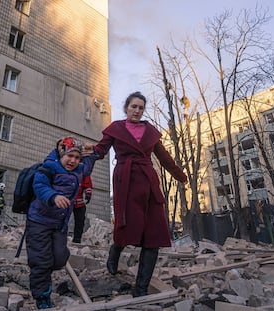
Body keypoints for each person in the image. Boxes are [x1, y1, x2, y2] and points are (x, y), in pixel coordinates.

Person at [87, 91, 187, 297]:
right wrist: (85, 154)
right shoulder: (116, 128)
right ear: (126, 108)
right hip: (127, 182)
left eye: (141, 107)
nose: (137, 111)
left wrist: (181, 176)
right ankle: (115, 250)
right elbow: (101, 149)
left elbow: (164, 157)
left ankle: (140, 289)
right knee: (127, 227)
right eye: (134, 106)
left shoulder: (150, 131)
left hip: (149, 184)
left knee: (154, 235)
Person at [25, 136, 98, 309]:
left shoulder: (79, 170)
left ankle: (43, 274)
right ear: (61, 154)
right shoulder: (49, 166)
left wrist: (92, 152)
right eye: (69, 156)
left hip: (59, 225)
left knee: (59, 259)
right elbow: (40, 185)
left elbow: (88, 166)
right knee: (41, 261)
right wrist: (53, 196)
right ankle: (42, 297)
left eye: (77, 157)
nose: (73, 161)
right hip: (39, 222)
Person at [72, 175, 93, 243]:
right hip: (66, 200)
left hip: (79, 201)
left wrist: (88, 195)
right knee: (62, 220)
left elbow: (87, 183)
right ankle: (59, 238)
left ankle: (77, 239)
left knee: (80, 220)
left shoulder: (83, 171)